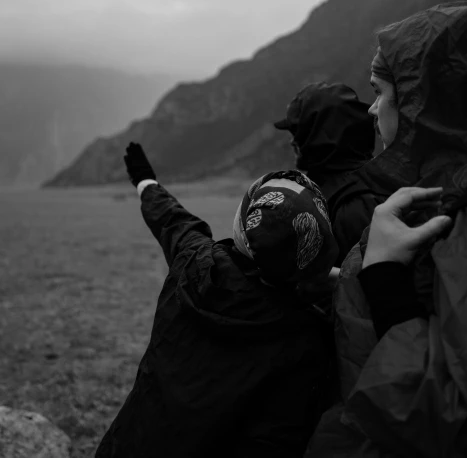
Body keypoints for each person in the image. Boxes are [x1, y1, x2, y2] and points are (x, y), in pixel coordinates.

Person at [305, 0, 467, 457]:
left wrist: (384, 280)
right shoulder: (453, 193)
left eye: (381, 92)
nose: (373, 111)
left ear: (420, 103)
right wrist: (346, 282)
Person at [96, 142, 340, 458]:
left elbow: (170, 218)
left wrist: (145, 181)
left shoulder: (193, 262)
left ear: (243, 224)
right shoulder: (305, 341)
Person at [274, 82, 388, 265]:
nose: (291, 141)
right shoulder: (362, 183)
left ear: (317, 135)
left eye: (296, 131)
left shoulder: (354, 203)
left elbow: (364, 281)